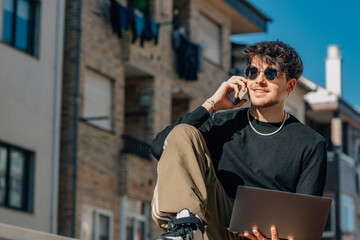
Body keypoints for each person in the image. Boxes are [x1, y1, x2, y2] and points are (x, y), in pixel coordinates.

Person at [150, 40, 327, 240]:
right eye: (253, 72)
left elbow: (306, 225)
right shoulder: (221, 124)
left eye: (270, 74)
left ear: (290, 85)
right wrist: (212, 105)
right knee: (184, 132)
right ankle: (185, 229)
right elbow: (160, 147)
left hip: (266, 236)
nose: (259, 81)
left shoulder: (311, 144)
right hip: (214, 228)